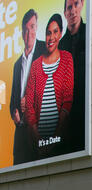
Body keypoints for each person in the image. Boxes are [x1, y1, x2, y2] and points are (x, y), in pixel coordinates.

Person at [26, 14, 74, 159]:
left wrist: (54, 140)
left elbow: (67, 102)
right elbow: (29, 107)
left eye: (55, 32)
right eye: (48, 33)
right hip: (37, 146)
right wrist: (40, 141)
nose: (51, 37)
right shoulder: (35, 66)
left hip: (61, 144)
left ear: (60, 34)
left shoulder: (67, 58)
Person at [10, 10, 46, 165]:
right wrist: (14, 113)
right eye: (25, 29)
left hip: (40, 133)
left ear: (36, 27)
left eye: (32, 27)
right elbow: (12, 100)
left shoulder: (45, 50)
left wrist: (30, 99)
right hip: (21, 136)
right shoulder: (17, 64)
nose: (28, 33)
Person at [59, 0, 86, 153]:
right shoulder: (60, 46)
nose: (73, 10)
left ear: (82, 4)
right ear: (65, 13)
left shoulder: (91, 34)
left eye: (76, 4)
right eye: (69, 7)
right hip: (66, 123)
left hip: (86, 117)